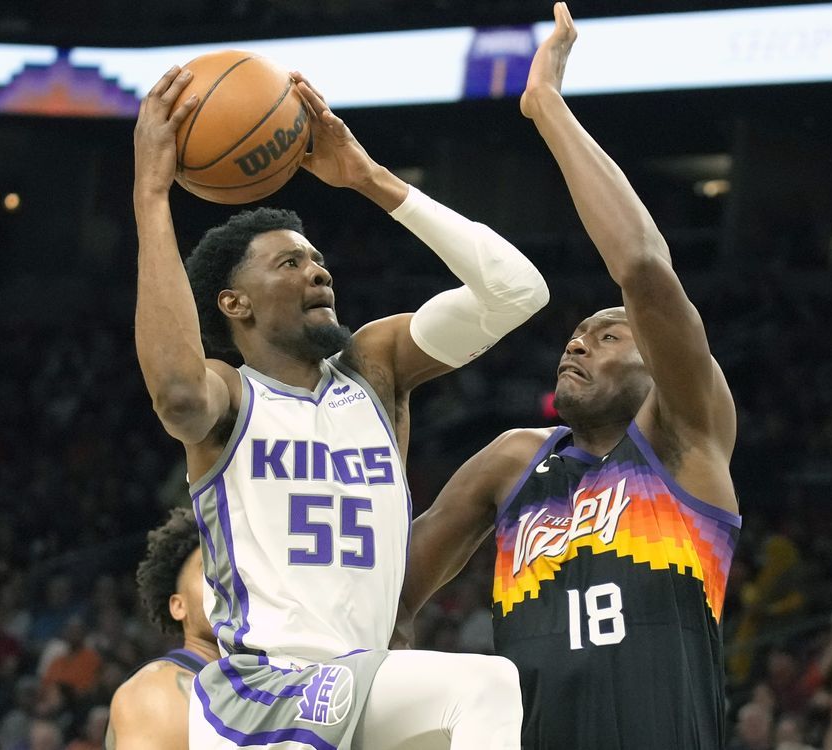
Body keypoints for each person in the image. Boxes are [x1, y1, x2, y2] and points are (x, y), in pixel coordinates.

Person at [133, 60, 547, 750]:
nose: (316, 269)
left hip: (361, 683)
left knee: (480, 695)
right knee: (485, 687)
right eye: (288, 264)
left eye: (317, 258)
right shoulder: (231, 394)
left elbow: (517, 293)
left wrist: (369, 180)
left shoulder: (375, 368)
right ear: (234, 304)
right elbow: (177, 395)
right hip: (261, 694)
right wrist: (152, 194)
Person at [400, 4, 742, 748]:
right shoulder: (512, 462)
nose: (579, 343)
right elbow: (390, 594)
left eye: (608, 333)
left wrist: (548, 107)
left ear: (661, 365)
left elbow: (646, 270)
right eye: (577, 334)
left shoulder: (685, 440)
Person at [106, 507, 218, 749]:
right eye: (208, 570)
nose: (225, 582)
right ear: (179, 606)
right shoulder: (156, 691)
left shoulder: (268, 677)